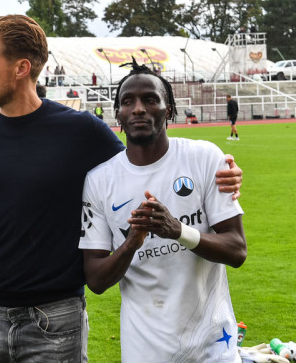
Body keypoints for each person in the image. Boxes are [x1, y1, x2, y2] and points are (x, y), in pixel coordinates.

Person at [0, 15, 243, 362]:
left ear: (20, 68)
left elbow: (137, 170)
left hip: (58, 318)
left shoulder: (79, 131)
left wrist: (222, 173)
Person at [80, 61, 246, 362]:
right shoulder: (99, 181)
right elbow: (95, 279)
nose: (139, 108)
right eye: (127, 101)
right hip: (145, 351)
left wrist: (179, 231)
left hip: (212, 349)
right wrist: (132, 242)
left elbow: (237, 250)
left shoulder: (205, 158)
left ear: (168, 109)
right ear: (118, 114)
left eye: (150, 99)